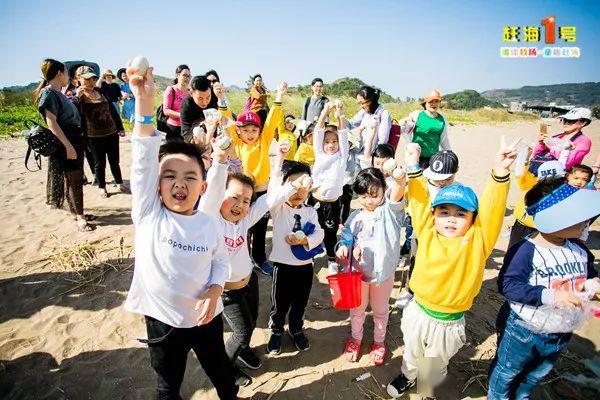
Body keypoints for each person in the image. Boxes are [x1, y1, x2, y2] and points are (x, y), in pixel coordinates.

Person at [122, 64, 244, 400]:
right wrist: (145, 107)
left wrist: (216, 289)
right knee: (167, 384)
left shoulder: (206, 221)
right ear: (156, 186)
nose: (179, 183)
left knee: (220, 370)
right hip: (162, 322)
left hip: (206, 318)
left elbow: (220, 260)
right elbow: (143, 161)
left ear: (201, 186)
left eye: (190, 177)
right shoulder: (148, 214)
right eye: (169, 176)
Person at [386, 138, 520, 399]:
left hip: (448, 322)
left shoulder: (478, 241)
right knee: (412, 351)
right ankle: (408, 374)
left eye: (461, 214)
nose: (451, 219)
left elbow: (492, 209)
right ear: (434, 215)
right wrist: (413, 167)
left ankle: (426, 388)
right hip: (418, 311)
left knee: (435, 361)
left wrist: (500, 173)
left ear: (472, 219)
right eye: (444, 212)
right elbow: (421, 201)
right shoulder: (426, 231)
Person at [199, 138, 310, 373]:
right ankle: (226, 372)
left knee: (249, 325)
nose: (240, 204)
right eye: (234, 197)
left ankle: (244, 350)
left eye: (246, 200)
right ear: (220, 196)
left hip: (250, 282)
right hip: (226, 291)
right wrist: (219, 161)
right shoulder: (210, 219)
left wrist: (293, 186)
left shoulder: (245, 219)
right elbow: (212, 193)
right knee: (240, 331)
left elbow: (269, 200)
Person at [487, 178, 600, 400]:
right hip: (524, 329)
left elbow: (588, 272)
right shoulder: (526, 251)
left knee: (536, 372)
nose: (586, 221)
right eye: (578, 216)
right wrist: (550, 295)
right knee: (508, 370)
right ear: (555, 219)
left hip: (561, 330)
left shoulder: (578, 247)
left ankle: (521, 396)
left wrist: (593, 283)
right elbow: (508, 285)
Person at [336, 165, 406, 366]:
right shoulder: (355, 216)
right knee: (357, 311)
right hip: (357, 274)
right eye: (364, 196)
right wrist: (345, 247)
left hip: (382, 275)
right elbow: (346, 236)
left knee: (380, 311)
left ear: (385, 189)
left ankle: (379, 342)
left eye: (374, 195)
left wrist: (399, 181)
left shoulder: (390, 212)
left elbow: (398, 195)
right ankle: (356, 339)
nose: (369, 201)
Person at [218, 82, 287, 276]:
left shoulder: (264, 140)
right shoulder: (237, 140)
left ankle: (259, 258)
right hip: (242, 193)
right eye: (246, 130)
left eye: (254, 130)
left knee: (260, 227)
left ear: (259, 131)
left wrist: (279, 94)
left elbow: (272, 118)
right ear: (239, 131)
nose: (250, 134)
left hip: (262, 191)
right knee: (240, 225)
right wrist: (221, 97)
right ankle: (243, 258)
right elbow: (226, 118)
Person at [266, 160, 324, 354]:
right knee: (280, 302)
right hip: (282, 267)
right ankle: (276, 330)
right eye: (294, 185)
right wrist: (279, 161)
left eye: (303, 186)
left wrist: (305, 240)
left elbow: (320, 233)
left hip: (305, 267)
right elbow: (272, 193)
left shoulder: (310, 211)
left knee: (301, 301)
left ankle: (296, 328)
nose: (298, 191)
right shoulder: (278, 209)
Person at [34, 59, 94, 232]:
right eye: (67, 73)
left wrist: (76, 97)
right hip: (67, 141)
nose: (68, 77)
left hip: (73, 139)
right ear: (59, 73)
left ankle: (76, 213)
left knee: (72, 179)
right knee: (75, 180)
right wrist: (67, 146)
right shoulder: (49, 93)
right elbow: (51, 122)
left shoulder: (58, 93)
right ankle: (80, 218)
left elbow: (67, 110)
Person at [396, 149, 461, 309]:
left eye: (447, 178)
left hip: (445, 239)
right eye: (438, 178)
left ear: (456, 172)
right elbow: (412, 208)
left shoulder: (458, 190)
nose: (442, 182)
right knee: (416, 262)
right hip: (421, 234)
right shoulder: (421, 185)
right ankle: (411, 291)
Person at [75, 66, 127, 198]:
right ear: (78, 79)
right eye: (86, 79)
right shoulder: (77, 97)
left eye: (93, 78)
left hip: (111, 133)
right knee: (99, 163)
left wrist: (120, 127)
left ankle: (119, 182)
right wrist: (76, 98)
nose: (90, 82)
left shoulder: (100, 92)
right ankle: (102, 187)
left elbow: (112, 111)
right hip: (94, 136)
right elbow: (74, 115)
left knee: (114, 161)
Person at [310, 102, 350, 271]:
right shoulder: (319, 153)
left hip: (333, 202)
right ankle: (310, 255)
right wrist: (325, 110)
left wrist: (340, 114)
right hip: (316, 200)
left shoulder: (342, 156)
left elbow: (343, 134)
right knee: (311, 229)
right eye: (327, 142)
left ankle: (332, 259)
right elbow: (318, 132)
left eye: (334, 141)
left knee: (330, 232)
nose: (331, 144)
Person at [508, 160, 566, 250]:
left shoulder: (565, 195)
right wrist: (525, 157)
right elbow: (520, 173)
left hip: (542, 230)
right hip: (522, 227)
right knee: (514, 253)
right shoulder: (529, 186)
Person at [529, 108, 592, 174]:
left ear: (583, 122)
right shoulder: (557, 136)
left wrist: (551, 146)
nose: (566, 123)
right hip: (541, 173)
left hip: (561, 177)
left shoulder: (584, 141)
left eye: (571, 120)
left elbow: (568, 162)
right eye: (565, 120)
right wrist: (541, 144)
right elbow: (535, 156)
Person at [401, 89, 451, 168]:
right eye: (431, 101)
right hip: (416, 157)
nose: (434, 104)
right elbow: (404, 123)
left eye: (436, 101)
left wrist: (450, 155)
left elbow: (444, 140)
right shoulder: (417, 115)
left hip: (434, 158)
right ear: (425, 102)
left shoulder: (442, 120)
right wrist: (404, 122)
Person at [348, 85, 392, 167]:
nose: (361, 106)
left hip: (370, 159)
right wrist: (340, 117)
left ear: (371, 100)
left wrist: (374, 159)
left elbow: (382, 141)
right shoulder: (364, 111)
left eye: (362, 103)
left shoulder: (383, 114)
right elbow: (351, 123)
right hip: (359, 154)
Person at [180, 75, 215, 143]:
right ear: (191, 93)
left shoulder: (214, 99)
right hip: (196, 140)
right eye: (200, 98)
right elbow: (186, 132)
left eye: (208, 97)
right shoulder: (186, 105)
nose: (205, 102)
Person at [163, 64, 191, 142]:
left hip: (187, 129)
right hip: (173, 128)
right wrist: (182, 115)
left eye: (189, 76)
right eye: (184, 75)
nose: (187, 78)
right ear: (177, 75)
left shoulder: (190, 93)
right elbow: (166, 110)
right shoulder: (171, 90)